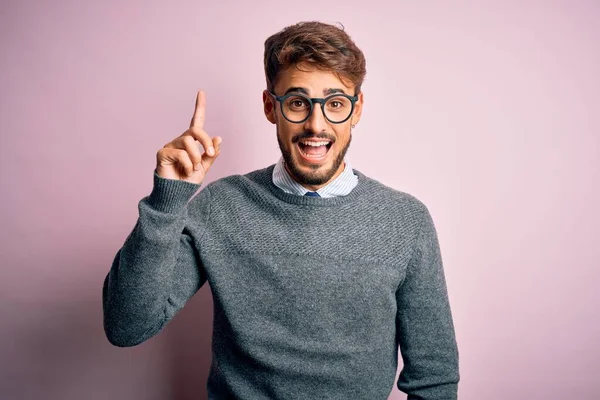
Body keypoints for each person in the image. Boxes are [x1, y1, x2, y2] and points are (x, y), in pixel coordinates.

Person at [102, 21, 460, 400]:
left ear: (357, 110)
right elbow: (127, 326)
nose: (315, 125)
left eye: (335, 103)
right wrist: (166, 201)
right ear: (271, 107)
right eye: (297, 102)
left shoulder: (405, 221)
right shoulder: (220, 206)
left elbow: (434, 379)